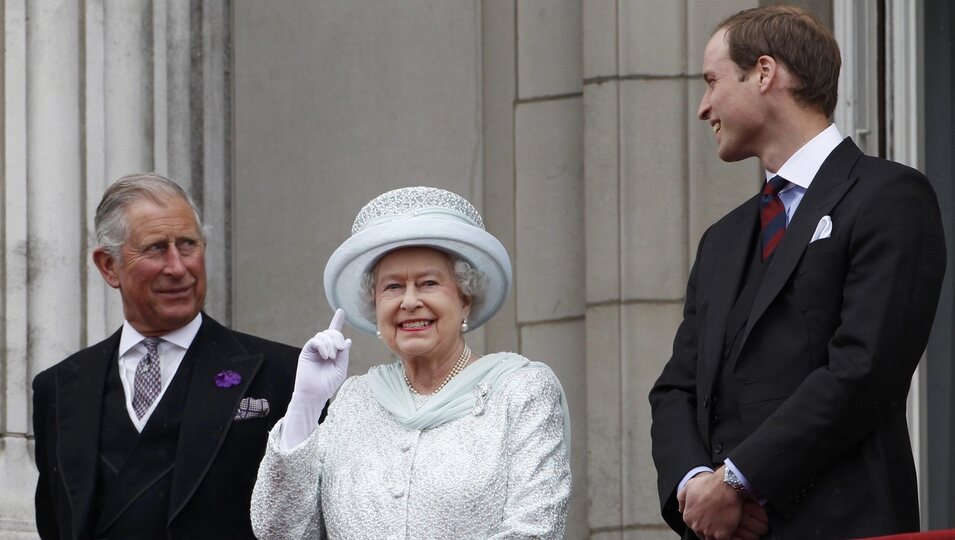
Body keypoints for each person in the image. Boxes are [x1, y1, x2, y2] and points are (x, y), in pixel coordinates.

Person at [649, 5, 946, 540]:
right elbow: (676, 389)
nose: (703, 107)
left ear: (764, 73)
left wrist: (739, 483)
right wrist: (698, 488)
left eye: (712, 82)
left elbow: (864, 367)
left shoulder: (888, 197)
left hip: (847, 524)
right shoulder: (722, 239)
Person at [251, 186, 571, 539]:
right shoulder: (354, 400)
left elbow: (535, 530)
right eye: (392, 287)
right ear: (375, 307)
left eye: (429, 283)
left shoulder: (520, 392)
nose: (409, 301)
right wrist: (305, 407)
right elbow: (279, 531)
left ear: (465, 300)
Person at [32, 173, 299, 539]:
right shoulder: (60, 388)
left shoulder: (285, 374)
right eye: (156, 248)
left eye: (188, 244)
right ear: (109, 266)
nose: (177, 267)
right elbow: (54, 520)